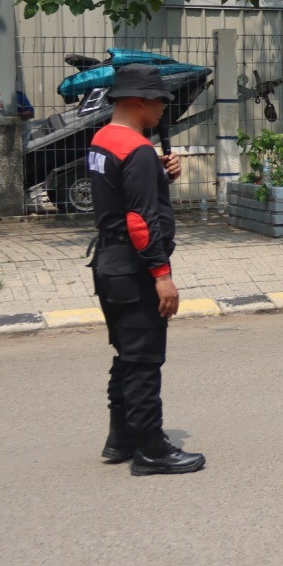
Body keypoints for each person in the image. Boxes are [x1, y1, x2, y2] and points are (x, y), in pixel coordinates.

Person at [85, 63, 205, 476]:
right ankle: (151, 450)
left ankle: (120, 438)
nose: (163, 110)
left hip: (109, 264)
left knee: (128, 355)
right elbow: (139, 221)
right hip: (134, 270)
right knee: (145, 362)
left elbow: (121, 195)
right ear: (140, 101)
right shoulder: (136, 151)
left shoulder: (103, 139)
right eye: (160, 102)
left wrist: (159, 174)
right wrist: (162, 276)